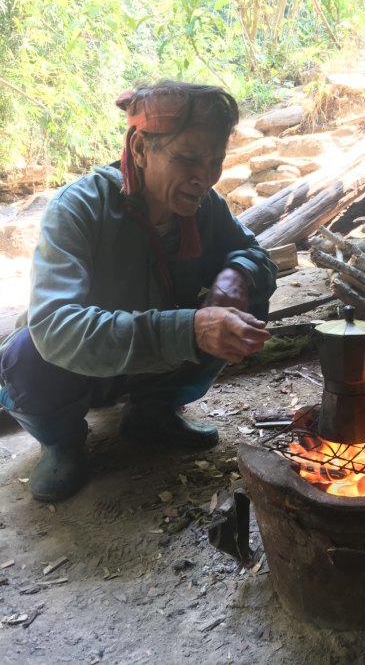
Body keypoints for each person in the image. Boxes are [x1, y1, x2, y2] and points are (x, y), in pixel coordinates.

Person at [0, 81, 277, 503]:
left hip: (150, 365)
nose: (204, 178)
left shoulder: (205, 207)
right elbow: (55, 326)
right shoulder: (79, 208)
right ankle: (62, 441)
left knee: (248, 299)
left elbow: (253, 253)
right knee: (26, 352)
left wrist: (234, 276)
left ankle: (153, 413)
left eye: (215, 161)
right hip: (74, 371)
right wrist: (190, 329)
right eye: (187, 159)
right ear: (140, 148)